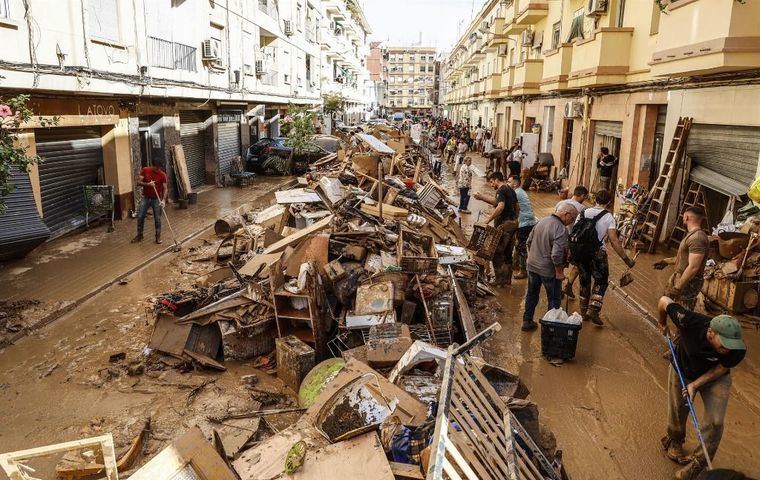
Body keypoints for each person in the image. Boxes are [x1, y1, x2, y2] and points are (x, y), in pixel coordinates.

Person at [657, 296, 746, 480]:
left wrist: (695, 385)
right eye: (724, 346)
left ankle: (698, 463)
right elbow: (664, 301)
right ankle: (675, 439)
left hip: (715, 376)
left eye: (732, 346)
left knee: (715, 422)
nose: (729, 350)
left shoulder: (737, 348)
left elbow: (722, 367)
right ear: (711, 333)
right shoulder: (688, 320)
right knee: (678, 408)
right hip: (683, 366)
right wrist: (662, 322)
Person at [572, 189, 635, 325]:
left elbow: (575, 231)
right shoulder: (608, 217)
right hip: (597, 254)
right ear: (609, 202)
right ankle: (593, 309)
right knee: (601, 281)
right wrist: (626, 259)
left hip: (581, 252)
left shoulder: (583, 212)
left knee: (584, 281)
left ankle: (583, 312)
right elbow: (614, 240)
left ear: (595, 200)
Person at [522, 203, 578, 331]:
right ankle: (550, 328)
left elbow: (528, 242)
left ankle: (527, 321)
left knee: (531, 294)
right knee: (554, 299)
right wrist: (559, 271)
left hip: (532, 266)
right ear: (566, 214)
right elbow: (556, 255)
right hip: (548, 270)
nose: (572, 222)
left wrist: (533, 257)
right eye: (572, 218)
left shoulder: (541, 221)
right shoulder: (561, 229)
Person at [654, 206, 709, 310]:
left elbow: (693, 267)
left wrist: (678, 287)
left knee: (682, 312)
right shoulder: (692, 235)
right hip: (680, 277)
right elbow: (685, 258)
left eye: (684, 217)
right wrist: (666, 261)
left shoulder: (697, 238)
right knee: (666, 304)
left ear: (687, 217)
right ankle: (663, 325)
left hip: (688, 282)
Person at [474, 172, 519, 286]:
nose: (491, 185)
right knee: (508, 252)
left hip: (504, 225)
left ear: (496, 180)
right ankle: (507, 280)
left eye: (491, 182)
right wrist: (482, 197)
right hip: (513, 224)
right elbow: (515, 206)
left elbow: (500, 206)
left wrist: (488, 220)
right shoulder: (510, 190)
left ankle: (499, 280)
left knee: (496, 252)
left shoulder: (501, 190)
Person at [557, 185, 590, 298]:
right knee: (578, 264)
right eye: (585, 196)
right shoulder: (583, 209)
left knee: (559, 263)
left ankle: (560, 287)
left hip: (557, 237)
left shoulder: (560, 203)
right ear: (582, 195)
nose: (585, 198)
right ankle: (567, 285)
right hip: (572, 241)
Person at [507, 175, 537, 280]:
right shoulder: (520, 191)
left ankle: (523, 271)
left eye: (509, 181)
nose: (507, 183)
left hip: (525, 223)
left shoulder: (516, 193)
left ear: (515, 183)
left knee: (521, 247)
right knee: (518, 244)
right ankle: (515, 265)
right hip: (528, 221)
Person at [132, 161, 169, 244]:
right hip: (146, 198)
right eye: (157, 167)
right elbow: (138, 182)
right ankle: (139, 235)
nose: (158, 169)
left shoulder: (162, 175)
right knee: (140, 216)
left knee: (157, 218)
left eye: (160, 168)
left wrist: (163, 200)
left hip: (157, 199)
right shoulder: (145, 170)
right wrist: (148, 184)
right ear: (153, 165)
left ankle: (158, 237)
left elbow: (165, 188)